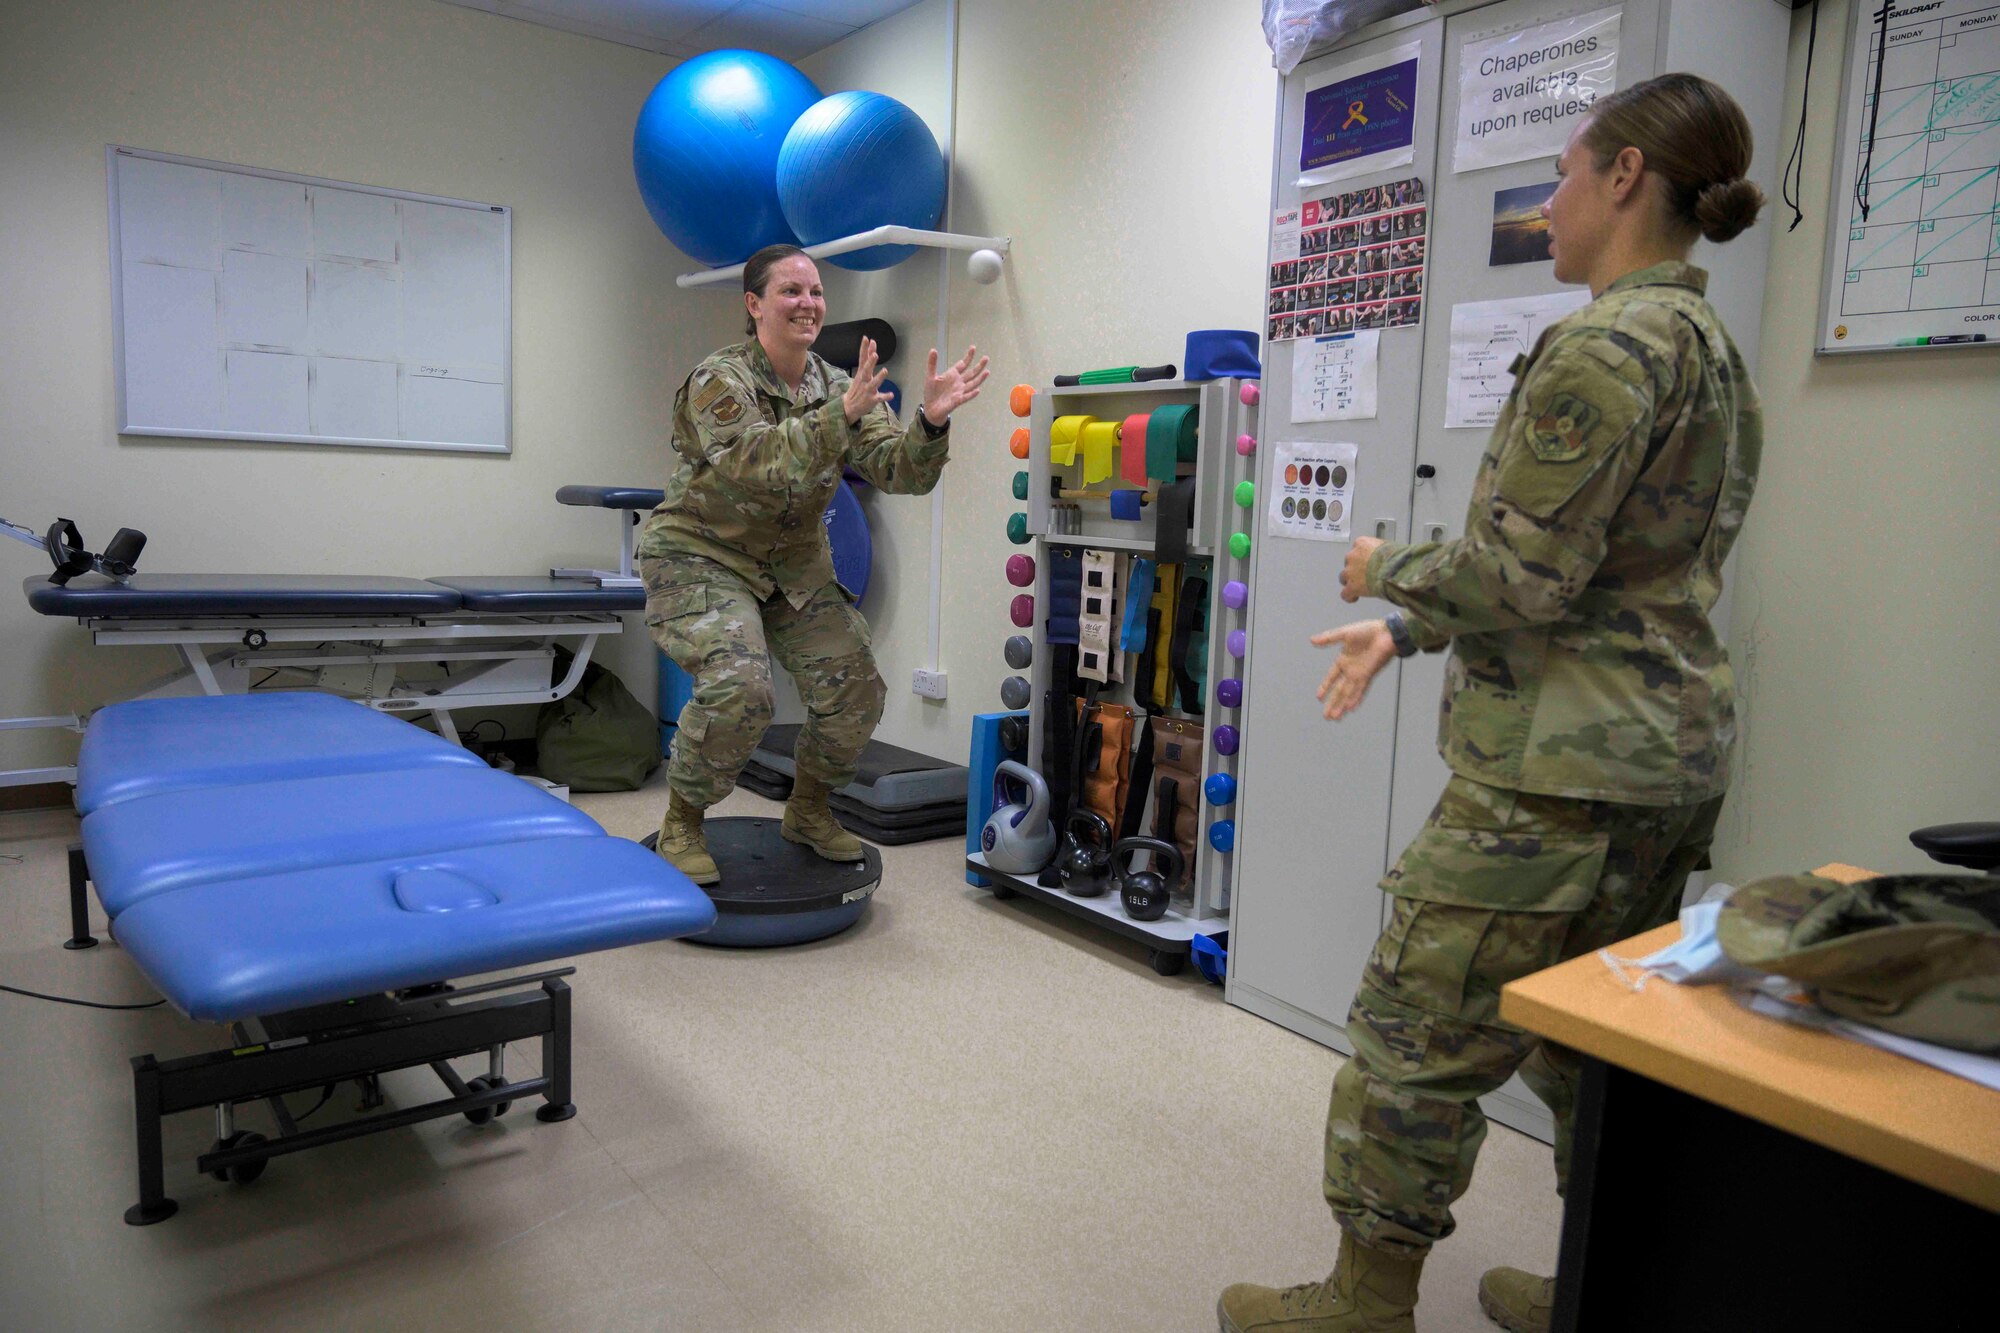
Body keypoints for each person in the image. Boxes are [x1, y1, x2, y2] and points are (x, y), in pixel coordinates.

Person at [1217, 74, 1766, 1333]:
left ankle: (1365, 1300)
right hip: (1661, 759)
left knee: (1417, 1035)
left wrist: (1384, 571)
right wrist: (1406, 631)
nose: (1551, 205)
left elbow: (1524, 571)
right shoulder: (1708, 349)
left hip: (1550, 781)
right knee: (1595, 1048)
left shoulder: (1604, 345)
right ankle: (1596, 1285)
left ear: (1625, 176)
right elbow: (1613, 575)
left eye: (1567, 173)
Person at [638, 244, 989, 886]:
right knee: (742, 687)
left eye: (816, 292)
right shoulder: (721, 378)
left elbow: (897, 471)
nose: (808, 304)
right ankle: (683, 820)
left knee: (855, 692)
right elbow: (754, 462)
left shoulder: (836, 384)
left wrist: (929, 424)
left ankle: (808, 811)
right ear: (754, 304)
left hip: (792, 569)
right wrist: (842, 417)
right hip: (703, 557)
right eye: (791, 292)